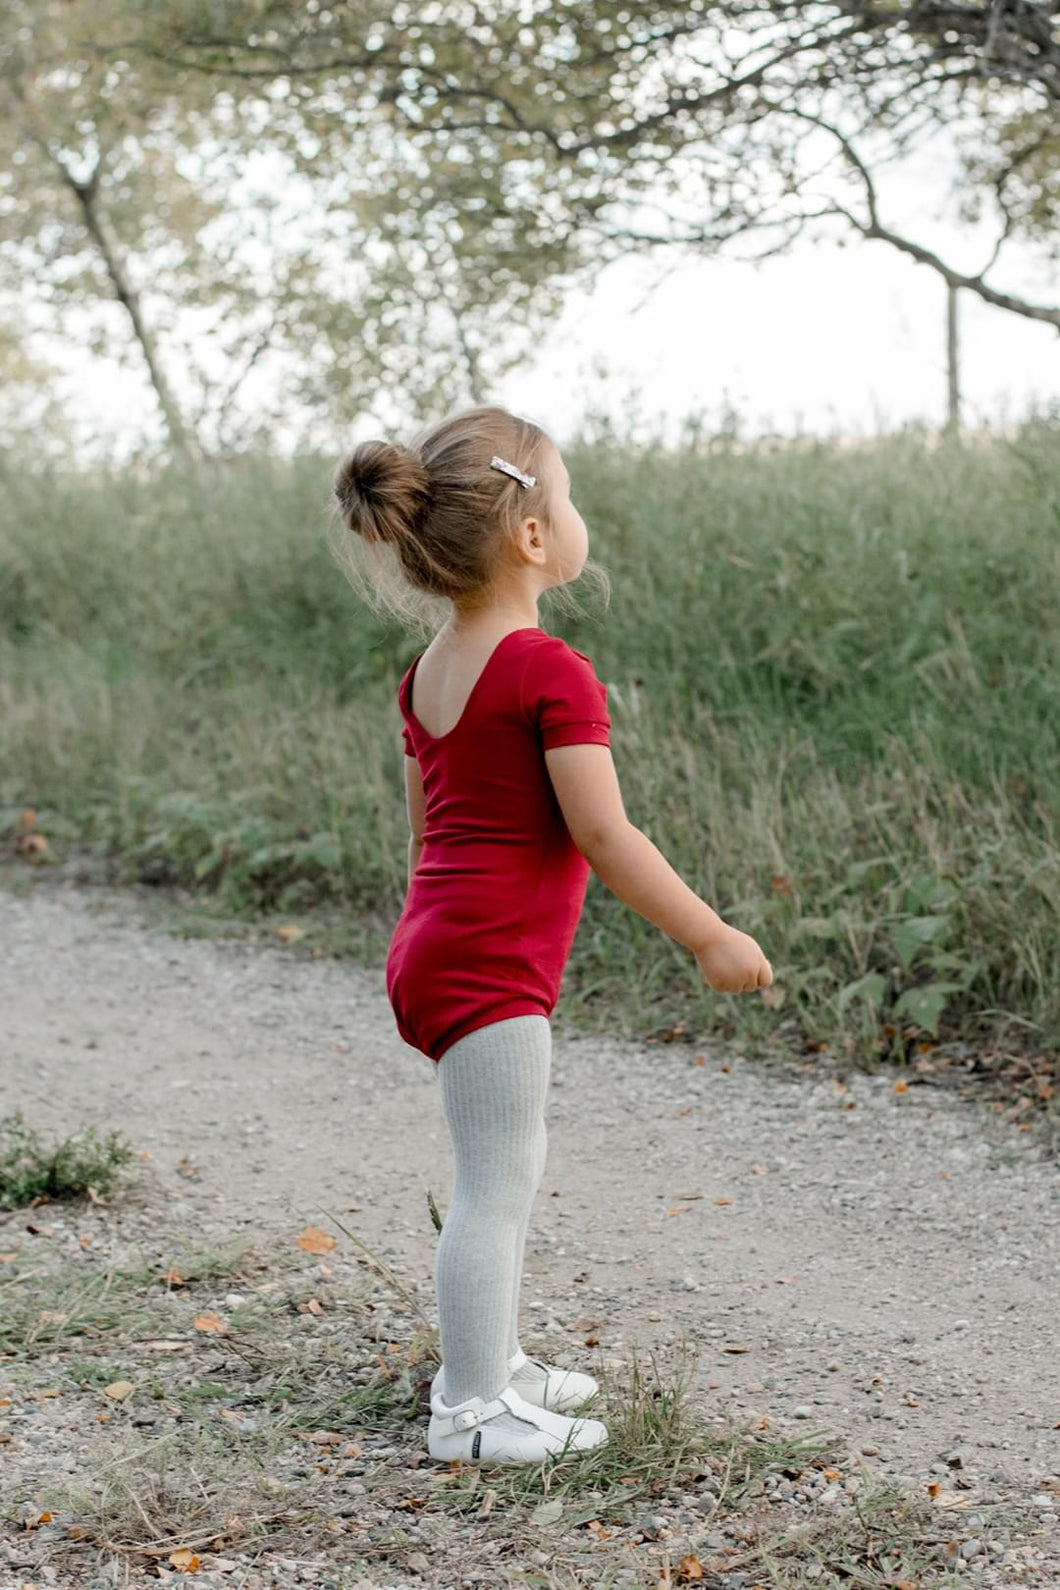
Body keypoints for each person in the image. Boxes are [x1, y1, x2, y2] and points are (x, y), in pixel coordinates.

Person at [332, 404, 773, 1468]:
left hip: (437, 938)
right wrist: (709, 935)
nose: (577, 518)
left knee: (500, 1169)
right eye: (566, 499)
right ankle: (472, 1410)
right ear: (532, 537)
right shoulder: (545, 669)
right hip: (486, 961)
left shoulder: (427, 670)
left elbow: (426, 828)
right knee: (498, 1180)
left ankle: (496, 1361)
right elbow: (604, 835)